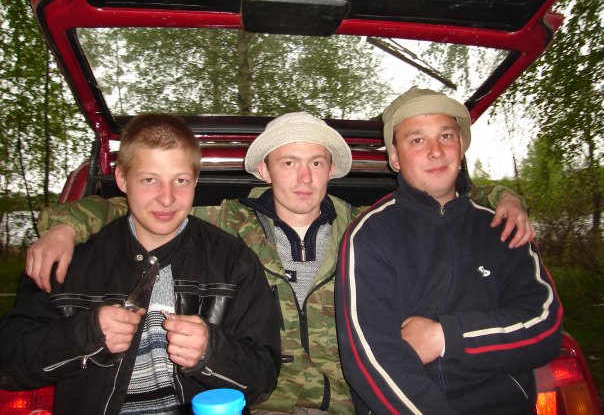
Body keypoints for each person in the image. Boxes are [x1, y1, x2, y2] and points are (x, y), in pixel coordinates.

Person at [24, 112, 534, 414]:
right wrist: (65, 225)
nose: (304, 178)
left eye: (316, 163)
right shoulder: (225, 225)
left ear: (331, 170)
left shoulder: (369, 230)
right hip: (256, 404)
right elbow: (145, 206)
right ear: (266, 170)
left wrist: (502, 196)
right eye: (289, 162)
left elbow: (439, 200)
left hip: (354, 406)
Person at [0, 114, 281, 414]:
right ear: (122, 179)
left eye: (181, 180)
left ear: (196, 180)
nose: (166, 198)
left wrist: (211, 351)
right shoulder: (68, 260)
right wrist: (86, 335)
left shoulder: (233, 260)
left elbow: (263, 379)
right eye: (149, 180)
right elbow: (8, 365)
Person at [335, 87, 563, 415]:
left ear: (461, 145)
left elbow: (545, 328)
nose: (436, 151)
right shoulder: (370, 234)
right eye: (417, 140)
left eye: (445, 136)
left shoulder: (503, 228)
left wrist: (446, 337)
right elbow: (371, 358)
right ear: (395, 158)